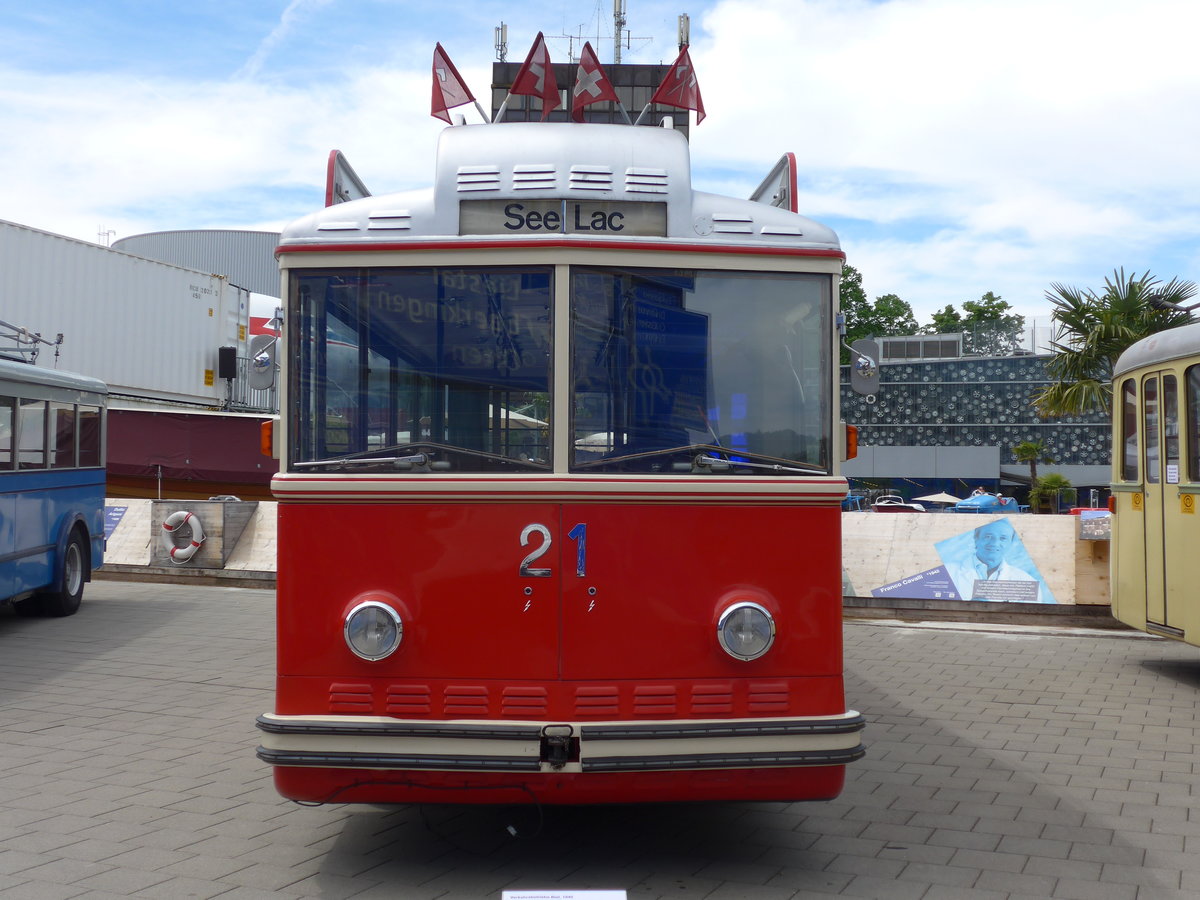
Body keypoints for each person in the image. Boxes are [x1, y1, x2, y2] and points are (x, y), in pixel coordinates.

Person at [945, 520, 1040, 601]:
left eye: (1003, 538)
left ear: (1011, 543)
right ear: (976, 539)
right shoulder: (947, 572)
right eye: (988, 536)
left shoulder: (1027, 581)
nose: (994, 543)